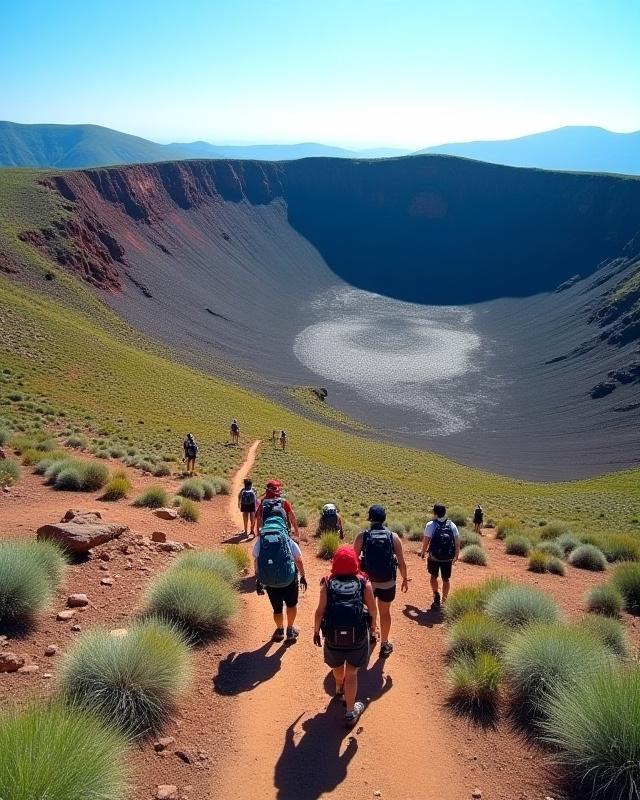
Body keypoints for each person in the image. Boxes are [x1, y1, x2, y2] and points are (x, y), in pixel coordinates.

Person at [313, 546, 377, 727]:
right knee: (352, 673)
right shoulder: (363, 582)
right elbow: (372, 609)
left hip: (333, 637)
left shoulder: (327, 582)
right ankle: (350, 712)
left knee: (337, 665)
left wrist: (316, 631)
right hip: (357, 637)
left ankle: (339, 687)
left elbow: (319, 612)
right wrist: (373, 629)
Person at [353, 505, 408, 658]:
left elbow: (353, 560)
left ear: (370, 518)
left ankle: (371, 633)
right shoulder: (393, 537)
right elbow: (402, 563)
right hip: (387, 581)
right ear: (384, 518)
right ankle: (384, 644)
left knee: (368, 609)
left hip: (367, 582)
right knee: (385, 612)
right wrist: (404, 579)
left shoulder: (362, 536)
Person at [254, 500, 308, 643]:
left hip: (269, 581)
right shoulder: (287, 538)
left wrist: (258, 578)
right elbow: (298, 559)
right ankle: (290, 630)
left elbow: (256, 559)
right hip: (288, 578)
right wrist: (303, 576)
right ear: (283, 521)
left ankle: (279, 630)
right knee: (291, 605)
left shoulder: (261, 539)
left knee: (277, 608)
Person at [420, 504, 460, 611]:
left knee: (433, 576)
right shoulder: (452, 525)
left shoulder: (431, 525)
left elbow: (426, 541)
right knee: (446, 579)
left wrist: (423, 552)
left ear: (435, 513)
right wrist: (456, 554)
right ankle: (445, 600)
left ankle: (436, 595)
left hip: (434, 557)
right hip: (447, 557)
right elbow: (456, 540)